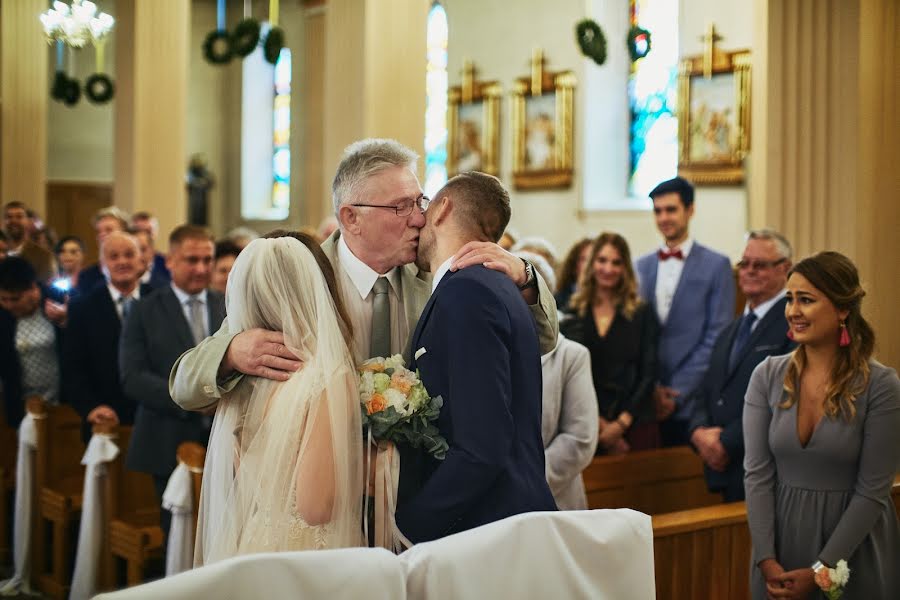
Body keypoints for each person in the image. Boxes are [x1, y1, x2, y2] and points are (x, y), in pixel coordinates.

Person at [169, 138, 557, 420]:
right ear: (351, 217)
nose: (420, 218)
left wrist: (524, 277)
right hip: (320, 486)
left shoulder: (443, 278)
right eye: (401, 206)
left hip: (412, 489)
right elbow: (183, 384)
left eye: (420, 202)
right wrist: (233, 353)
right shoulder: (297, 275)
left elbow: (541, 340)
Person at [396, 172, 557, 543]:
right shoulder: (495, 286)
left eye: (424, 204)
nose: (417, 219)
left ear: (443, 208)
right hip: (499, 524)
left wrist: (410, 526)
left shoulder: (466, 292)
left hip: (487, 529)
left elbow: (482, 447)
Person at [196, 234, 363, 564]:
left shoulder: (246, 376)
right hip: (307, 557)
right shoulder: (327, 377)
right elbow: (316, 507)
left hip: (257, 541)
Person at [744, 251, 899, 599]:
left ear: (843, 309)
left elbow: (874, 489)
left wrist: (823, 569)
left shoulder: (881, 385)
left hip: (852, 547)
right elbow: (756, 474)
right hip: (779, 545)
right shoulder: (766, 376)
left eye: (807, 300)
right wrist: (767, 558)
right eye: (789, 299)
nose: (793, 311)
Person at [121, 226, 225, 546]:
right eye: (192, 260)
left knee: (221, 532)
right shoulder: (144, 309)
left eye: (207, 260)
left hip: (223, 438)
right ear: (170, 262)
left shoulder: (227, 304)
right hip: (167, 437)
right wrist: (190, 400)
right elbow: (133, 376)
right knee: (177, 539)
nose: (202, 268)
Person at [688, 230, 796, 502]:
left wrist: (726, 443)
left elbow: (782, 398)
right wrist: (698, 432)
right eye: (744, 264)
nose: (749, 271)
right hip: (727, 473)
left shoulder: (793, 326)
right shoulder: (730, 331)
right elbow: (707, 389)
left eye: (759, 265)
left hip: (765, 469)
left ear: (785, 268)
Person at [635, 177, 734, 446]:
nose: (664, 217)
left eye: (671, 209)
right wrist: (651, 390)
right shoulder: (640, 266)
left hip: (695, 397)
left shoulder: (717, 265)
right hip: (647, 399)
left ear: (690, 210)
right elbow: (637, 336)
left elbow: (718, 334)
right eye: (658, 211)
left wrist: (677, 391)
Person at [514, 251, 598, 510]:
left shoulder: (571, 356)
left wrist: (523, 483)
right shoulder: (496, 351)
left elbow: (579, 439)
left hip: (554, 498)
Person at [562, 233, 660, 453]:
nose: (608, 269)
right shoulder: (573, 312)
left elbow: (649, 372)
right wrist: (598, 423)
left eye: (616, 262)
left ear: (626, 268)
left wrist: (621, 424)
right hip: (585, 423)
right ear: (591, 264)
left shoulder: (641, 312)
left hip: (634, 423)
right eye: (602, 260)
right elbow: (568, 373)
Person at [63, 231, 147, 442]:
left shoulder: (161, 301)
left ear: (141, 261)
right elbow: (72, 368)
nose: (122, 262)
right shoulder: (82, 308)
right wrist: (91, 407)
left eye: (129, 255)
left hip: (153, 418)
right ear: (102, 265)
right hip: (104, 419)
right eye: (114, 256)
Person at [0, 257, 63, 427]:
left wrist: (66, 321)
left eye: (15, 299)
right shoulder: (3, 316)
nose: (8, 305)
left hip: (63, 400)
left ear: (34, 289)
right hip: (22, 404)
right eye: (3, 299)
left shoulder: (58, 301)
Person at [75, 206, 129, 295]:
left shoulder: (132, 271)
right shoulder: (87, 276)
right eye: (99, 231)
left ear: (125, 233)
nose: (102, 235)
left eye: (109, 230)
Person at [3, 201, 57, 283]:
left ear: (27, 221)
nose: (13, 220)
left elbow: (46, 288)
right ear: (3, 221)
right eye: (9, 217)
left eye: (19, 216)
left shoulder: (43, 256)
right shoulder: (2, 250)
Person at [131, 211, 171, 284]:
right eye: (137, 230)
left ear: (155, 233)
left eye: (147, 231)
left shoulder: (167, 265)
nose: (142, 235)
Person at [555, 237, 592, 311]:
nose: (590, 264)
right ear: (574, 265)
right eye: (584, 259)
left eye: (594, 259)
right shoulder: (558, 300)